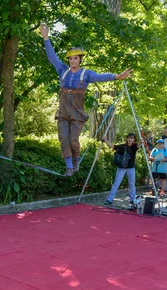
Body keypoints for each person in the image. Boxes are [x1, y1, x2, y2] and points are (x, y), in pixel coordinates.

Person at [39, 24, 133, 176]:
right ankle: (69, 166)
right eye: (70, 58)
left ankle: (76, 160)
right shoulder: (63, 71)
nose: (72, 61)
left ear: (80, 59)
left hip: (77, 114)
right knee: (63, 139)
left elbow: (101, 76)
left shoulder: (86, 74)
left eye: (75, 58)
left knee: (73, 140)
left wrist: (117, 76)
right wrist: (46, 37)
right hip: (63, 112)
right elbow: (52, 57)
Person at [103, 133, 139, 205]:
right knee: (116, 183)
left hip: (131, 168)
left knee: (132, 184)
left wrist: (141, 142)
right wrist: (105, 140)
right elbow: (112, 146)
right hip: (122, 168)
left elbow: (139, 146)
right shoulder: (122, 146)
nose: (130, 139)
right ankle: (110, 199)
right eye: (129, 138)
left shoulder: (134, 146)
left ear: (134, 139)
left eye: (132, 138)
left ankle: (132, 199)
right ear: (127, 139)